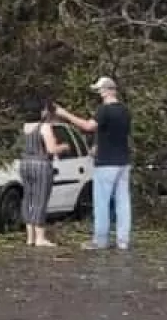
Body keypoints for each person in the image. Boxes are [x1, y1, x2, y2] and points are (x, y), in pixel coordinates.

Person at [56, 76, 132, 250]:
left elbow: (88, 126)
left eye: (100, 90)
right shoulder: (125, 111)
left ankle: (100, 240)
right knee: (123, 202)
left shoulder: (104, 110)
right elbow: (116, 134)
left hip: (106, 163)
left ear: (106, 90)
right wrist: (97, 145)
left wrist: (64, 114)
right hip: (123, 161)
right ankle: (123, 240)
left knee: (102, 202)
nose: (99, 94)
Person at [19, 97, 70, 247]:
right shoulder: (44, 127)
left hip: (25, 163)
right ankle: (40, 237)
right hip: (41, 164)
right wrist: (64, 147)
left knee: (28, 199)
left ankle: (30, 237)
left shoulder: (25, 126)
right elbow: (51, 149)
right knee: (40, 199)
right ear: (41, 111)